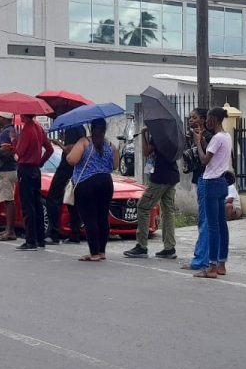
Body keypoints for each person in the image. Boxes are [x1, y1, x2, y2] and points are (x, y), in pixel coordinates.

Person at [124, 127, 179, 259]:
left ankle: (141, 246)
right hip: (172, 176)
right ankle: (169, 247)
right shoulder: (174, 135)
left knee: (143, 207)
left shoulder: (159, 135)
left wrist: (144, 134)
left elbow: (146, 152)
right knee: (168, 211)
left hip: (160, 178)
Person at [68, 118, 117, 261]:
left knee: (90, 218)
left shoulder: (84, 142)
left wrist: (69, 152)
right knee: (102, 217)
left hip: (86, 183)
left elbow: (72, 160)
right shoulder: (110, 145)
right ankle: (102, 251)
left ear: (91, 127)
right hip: (106, 182)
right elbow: (114, 166)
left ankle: (94, 253)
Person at [194, 107, 233, 279]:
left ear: (214, 119)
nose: (206, 122)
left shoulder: (217, 138)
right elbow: (213, 156)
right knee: (221, 225)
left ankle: (211, 267)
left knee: (212, 226)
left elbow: (204, 160)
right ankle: (222, 264)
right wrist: (202, 141)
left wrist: (196, 142)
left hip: (211, 182)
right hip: (222, 182)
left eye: (208, 119)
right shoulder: (226, 136)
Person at [14, 114, 54, 252]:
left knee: (28, 205)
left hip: (25, 169)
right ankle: (40, 239)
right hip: (36, 169)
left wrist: (14, 141)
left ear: (24, 115)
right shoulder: (39, 129)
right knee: (37, 204)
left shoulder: (27, 130)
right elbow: (50, 149)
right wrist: (40, 162)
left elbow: (18, 152)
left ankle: (30, 240)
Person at [182, 108, 213, 271]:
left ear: (203, 119)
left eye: (194, 118)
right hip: (201, 179)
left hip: (205, 180)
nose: (190, 120)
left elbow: (205, 158)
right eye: (190, 117)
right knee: (206, 221)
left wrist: (199, 140)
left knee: (205, 221)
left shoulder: (207, 136)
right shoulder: (195, 135)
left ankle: (201, 260)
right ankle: (207, 258)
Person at [45, 125, 85, 244]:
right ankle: (74, 233)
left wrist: (60, 144)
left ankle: (54, 233)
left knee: (53, 198)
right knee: (72, 202)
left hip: (67, 167)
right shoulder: (81, 128)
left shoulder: (72, 128)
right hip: (76, 169)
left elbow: (71, 149)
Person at [0, 116, 19, 241]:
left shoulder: (6, 132)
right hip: (9, 169)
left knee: (8, 200)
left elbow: (6, 151)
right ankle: (8, 229)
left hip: (5, 171)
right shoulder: (12, 131)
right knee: (7, 200)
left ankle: (10, 231)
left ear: (4, 118)